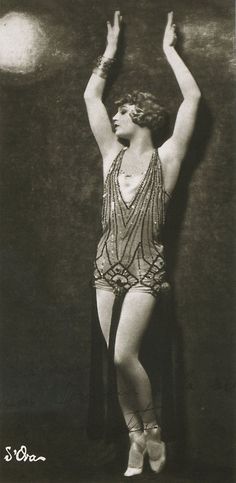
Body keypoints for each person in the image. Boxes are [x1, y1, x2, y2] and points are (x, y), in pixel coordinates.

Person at [84, 10, 201, 477]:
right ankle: (135, 440)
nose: (114, 116)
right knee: (115, 364)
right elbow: (91, 95)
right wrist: (109, 53)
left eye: (122, 111)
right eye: (115, 113)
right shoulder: (110, 157)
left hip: (145, 271)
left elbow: (192, 97)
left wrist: (169, 49)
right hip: (105, 269)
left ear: (142, 117)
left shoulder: (168, 158)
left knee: (122, 354)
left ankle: (152, 429)